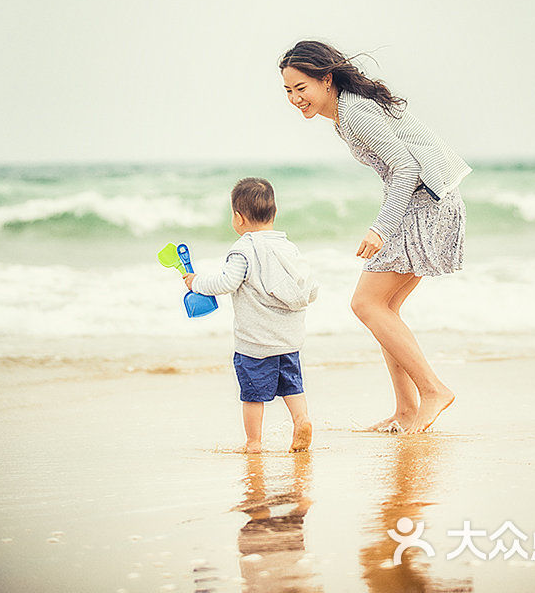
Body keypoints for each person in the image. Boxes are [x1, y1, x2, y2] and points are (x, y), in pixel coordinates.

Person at [279, 40, 472, 435]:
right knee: (383, 309)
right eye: (288, 91)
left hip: (428, 204)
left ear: (326, 80)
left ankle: (433, 390)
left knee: (366, 304)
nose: (296, 98)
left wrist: (381, 227)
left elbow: (405, 167)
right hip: (427, 202)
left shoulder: (356, 114)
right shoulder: (344, 114)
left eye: (302, 88)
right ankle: (405, 410)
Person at [184, 176, 318, 453]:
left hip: (255, 343)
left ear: (238, 218)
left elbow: (226, 282)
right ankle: (302, 420)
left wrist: (195, 282)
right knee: (293, 386)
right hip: (288, 340)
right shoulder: (288, 248)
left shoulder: (243, 250)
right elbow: (309, 287)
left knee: (253, 395)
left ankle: (254, 443)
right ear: (274, 213)